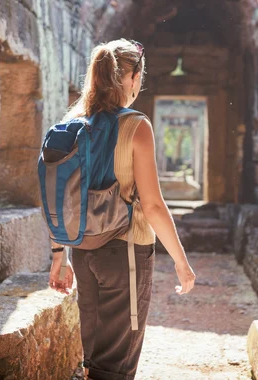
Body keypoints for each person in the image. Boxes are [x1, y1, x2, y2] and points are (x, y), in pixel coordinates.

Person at [48, 38, 196, 380]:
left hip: (81, 252)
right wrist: (181, 262)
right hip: (125, 251)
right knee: (118, 362)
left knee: (96, 356)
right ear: (131, 77)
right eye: (140, 76)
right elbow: (154, 206)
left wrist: (59, 255)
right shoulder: (136, 126)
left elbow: (58, 195)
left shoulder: (71, 123)